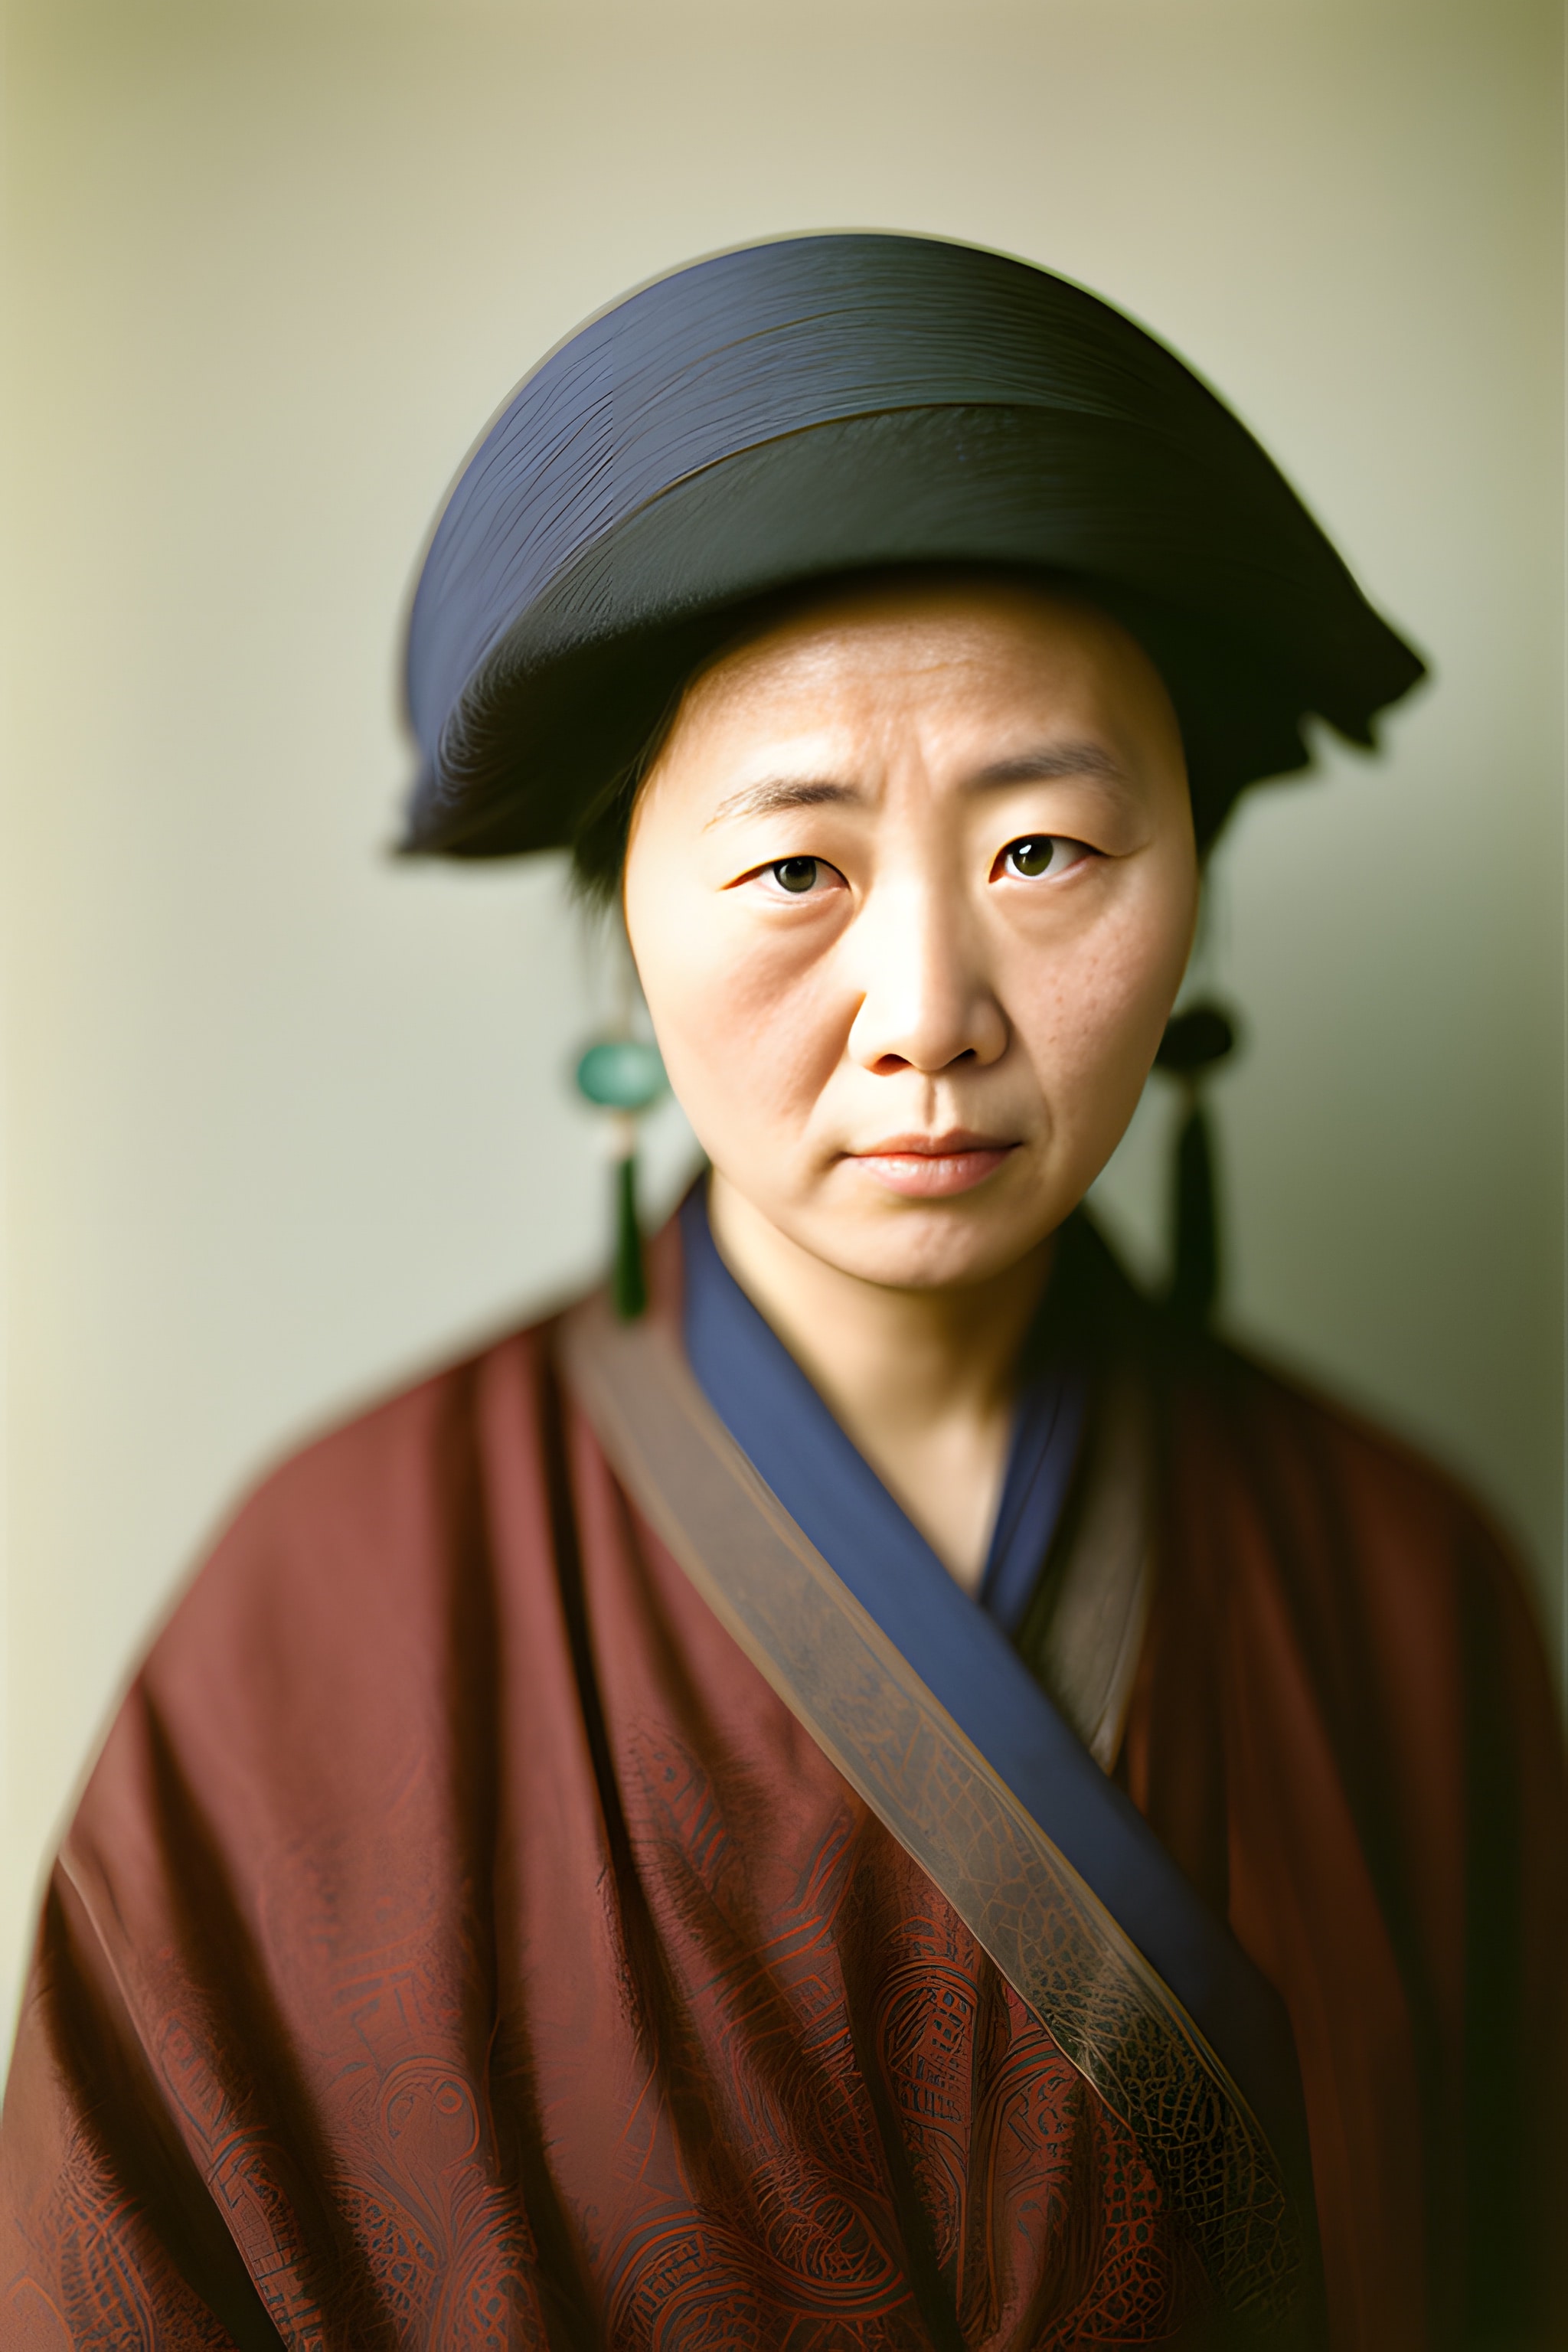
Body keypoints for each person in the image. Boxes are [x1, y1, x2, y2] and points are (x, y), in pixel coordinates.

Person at [1, 235, 1560, 2352]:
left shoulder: (1402, 1588)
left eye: (1044, 851)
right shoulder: (321, 1624)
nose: (927, 1013)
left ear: (1192, 876)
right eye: (794, 868)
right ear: (622, 912)